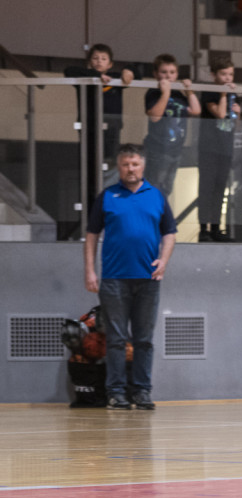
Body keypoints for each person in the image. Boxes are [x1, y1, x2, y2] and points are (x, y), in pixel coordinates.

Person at [83, 144, 177, 410]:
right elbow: (91, 235)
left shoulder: (156, 196)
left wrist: (164, 261)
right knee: (115, 339)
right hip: (113, 279)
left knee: (144, 340)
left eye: (134, 164)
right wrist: (90, 270)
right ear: (119, 167)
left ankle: (142, 391)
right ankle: (115, 392)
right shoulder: (107, 196)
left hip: (148, 280)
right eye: (125, 164)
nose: (130, 169)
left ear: (142, 165)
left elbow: (169, 232)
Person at [64, 44, 135, 213]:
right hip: (89, 129)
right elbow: (68, 70)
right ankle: (91, 211)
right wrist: (97, 76)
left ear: (110, 63)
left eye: (103, 59)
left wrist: (128, 71)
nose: (99, 61)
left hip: (111, 131)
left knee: (110, 169)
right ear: (89, 62)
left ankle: (110, 208)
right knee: (89, 169)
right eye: (95, 58)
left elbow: (134, 73)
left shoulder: (116, 79)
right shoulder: (85, 77)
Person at [143, 54, 201, 200]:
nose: (168, 76)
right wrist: (165, 93)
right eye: (164, 72)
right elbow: (155, 116)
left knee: (167, 189)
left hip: (176, 149)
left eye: (172, 72)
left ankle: (161, 219)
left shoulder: (179, 95)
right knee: (154, 188)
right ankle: (153, 219)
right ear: (156, 74)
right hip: (158, 149)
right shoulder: (154, 92)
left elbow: (195, 111)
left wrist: (189, 91)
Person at [197, 56, 241, 243]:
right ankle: (203, 228)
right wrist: (223, 94)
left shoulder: (233, 95)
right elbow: (221, 114)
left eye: (230, 74)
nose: (227, 78)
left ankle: (216, 227)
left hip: (225, 147)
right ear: (214, 75)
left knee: (220, 189)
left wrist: (237, 113)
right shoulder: (210, 92)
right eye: (223, 74)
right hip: (208, 147)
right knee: (206, 188)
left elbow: (232, 122)